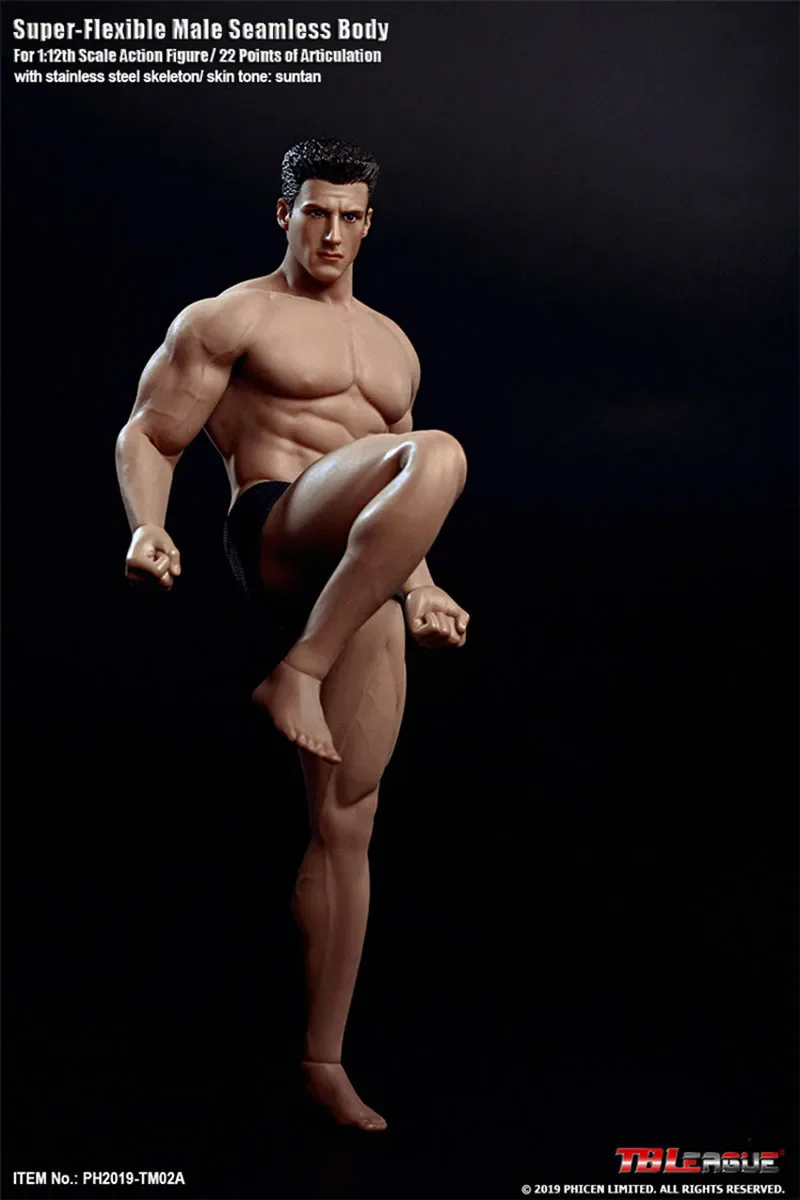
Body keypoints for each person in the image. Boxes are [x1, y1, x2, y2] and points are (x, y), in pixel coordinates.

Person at [115, 138, 469, 1132]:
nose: (332, 232)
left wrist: (422, 589)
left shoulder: (393, 346)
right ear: (285, 214)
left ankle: (323, 1058)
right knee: (441, 453)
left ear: (369, 223)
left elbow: (397, 492)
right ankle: (296, 671)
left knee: (348, 822)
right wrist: (146, 525)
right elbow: (149, 432)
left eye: (350, 216)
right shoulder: (234, 316)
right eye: (315, 211)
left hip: (356, 581)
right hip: (274, 528)